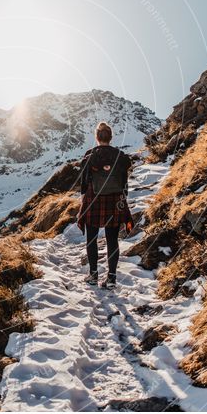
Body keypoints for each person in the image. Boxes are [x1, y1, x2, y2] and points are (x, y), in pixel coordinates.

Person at [76, 122, 134, 289]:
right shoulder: (120, 156)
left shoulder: (90, 155)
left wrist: (84, 196)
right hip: (115, 200)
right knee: (112, 240)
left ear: (97, 137)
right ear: (110, 137)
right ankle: (112, 279)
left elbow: (84, 179)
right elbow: (125, 174)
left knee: (91, 239)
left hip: (94, 200)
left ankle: (93, 275)